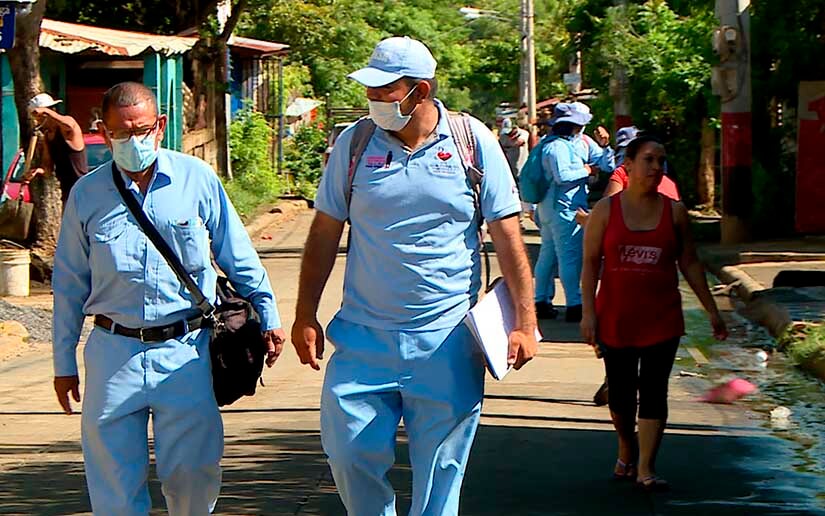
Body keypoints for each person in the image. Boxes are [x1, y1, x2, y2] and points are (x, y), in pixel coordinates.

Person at [291, 36, 538, 515]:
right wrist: (305, 314)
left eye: (386, 90)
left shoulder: (473, 143)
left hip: (446, 343)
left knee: (442, 475)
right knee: (347, 454)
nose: (374, 99)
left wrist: (524, 322)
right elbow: (323, 232)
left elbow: (507, 236)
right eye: (372, 89)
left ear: (420, 91)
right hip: (363, 341)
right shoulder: (355, 143)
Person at [52, 81, 286, 515]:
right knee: (114, 486)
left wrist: (269, 316)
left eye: (140, 130)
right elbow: (68, 287)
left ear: (159, 126)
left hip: (185, 352)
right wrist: (63, 365)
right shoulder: (87, 194)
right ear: (103, 130)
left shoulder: (196, 180)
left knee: (192, 476)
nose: (131, 141)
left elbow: (238, 255)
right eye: (120, 133)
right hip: (112, 355)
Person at [580, 135, 728, 491]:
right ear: (627, 166)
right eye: (648, 160)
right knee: (621, 392)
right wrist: (588, 312)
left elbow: (689, 262)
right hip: (615, 316)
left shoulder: (674, 212)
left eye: (661, 161)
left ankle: (646, 466)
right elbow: (589, 263)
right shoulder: (606, 211)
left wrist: (712, 310)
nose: (656, 168)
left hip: (661, 317)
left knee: (654, 389)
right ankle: (626, 443)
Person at [533, 102, 613, 323]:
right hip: (563, 209)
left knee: (548, 255)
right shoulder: (556, 146)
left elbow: (608, 165)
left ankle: (541, 301)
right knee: (569, 257)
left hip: (551, 208)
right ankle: (574, 305)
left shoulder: (573, 143)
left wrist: (605, 147)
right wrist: (586, 170)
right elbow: (562, 176)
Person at [25, 93, 88, 203]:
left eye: (38, 118)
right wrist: (37, 171)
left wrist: (46, 111)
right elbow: (48, 168)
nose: (37, 122)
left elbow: (69, 125)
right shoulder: (47, 138)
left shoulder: (67, 128)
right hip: (67, 192)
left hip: (83, 189)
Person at [604, 126, 680, 201]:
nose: (656, 166)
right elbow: (611, 207)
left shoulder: (667, 181)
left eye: (661, 161)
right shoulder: (621, 173)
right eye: (623, 150)